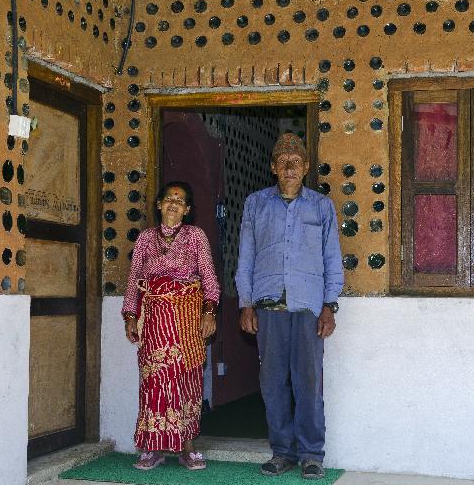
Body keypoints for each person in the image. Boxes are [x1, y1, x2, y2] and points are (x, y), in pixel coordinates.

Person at [236, 133, 344, 480]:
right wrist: (246, 304)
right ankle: (282, 451)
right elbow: (246, 256)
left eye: (295, 161)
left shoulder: (321, 206)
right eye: (282, 160)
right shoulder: (255, 204)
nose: (289, 166)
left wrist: (329, 305)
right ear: (273, 167)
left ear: (306, 167)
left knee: (308, 383)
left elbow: (331, 258)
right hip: (268, 308)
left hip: (308, 307)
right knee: (272, 383)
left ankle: (312, 454)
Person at [122, 181, 220, 471]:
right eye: (168, 198)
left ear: (187, 209)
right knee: (154, 380)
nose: (173, 204)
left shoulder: (195, 237)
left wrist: (209, 312)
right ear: (159, 204)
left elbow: (210, 280)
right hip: (154, 322)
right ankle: (153, 448)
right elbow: (134, 280)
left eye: (180, 200)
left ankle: (188, 448)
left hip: (187, 320)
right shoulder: (145, 239)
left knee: (185, 378)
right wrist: (130, 315)